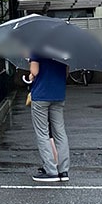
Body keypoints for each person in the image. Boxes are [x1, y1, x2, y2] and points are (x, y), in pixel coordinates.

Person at [27, 53, 68, 183]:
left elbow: (35, 71)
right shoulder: (64, 50)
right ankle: (63, 170)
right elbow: (66, 74)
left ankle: (50, 170)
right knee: (60, 133)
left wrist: (31, 75)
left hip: (41, 95)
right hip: (58, 94)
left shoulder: (37, 48)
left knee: (42, 133)